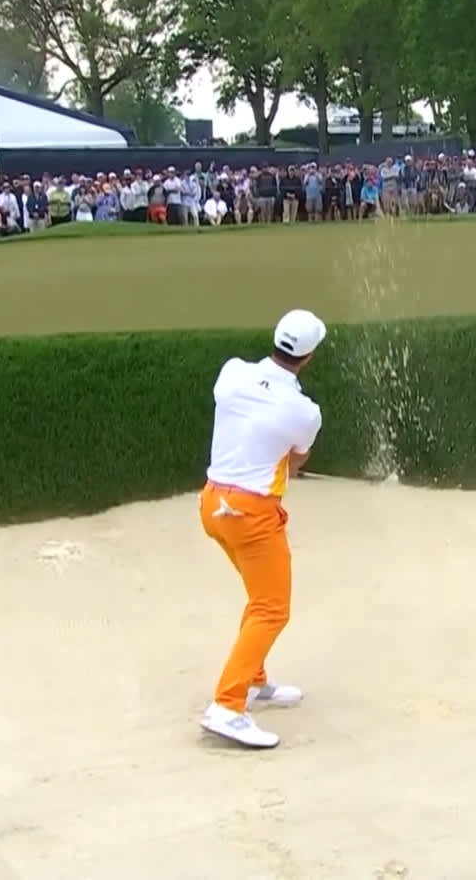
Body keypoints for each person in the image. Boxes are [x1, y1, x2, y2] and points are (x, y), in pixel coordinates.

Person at [198, 309, 328, 749]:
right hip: (250, 515)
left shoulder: (231, 373)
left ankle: (253, 681)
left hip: (213, 503)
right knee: (273, 609)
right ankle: (228, 705)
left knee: (260, 599)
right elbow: (295, 461)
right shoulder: (305, 412)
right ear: (310, 357)